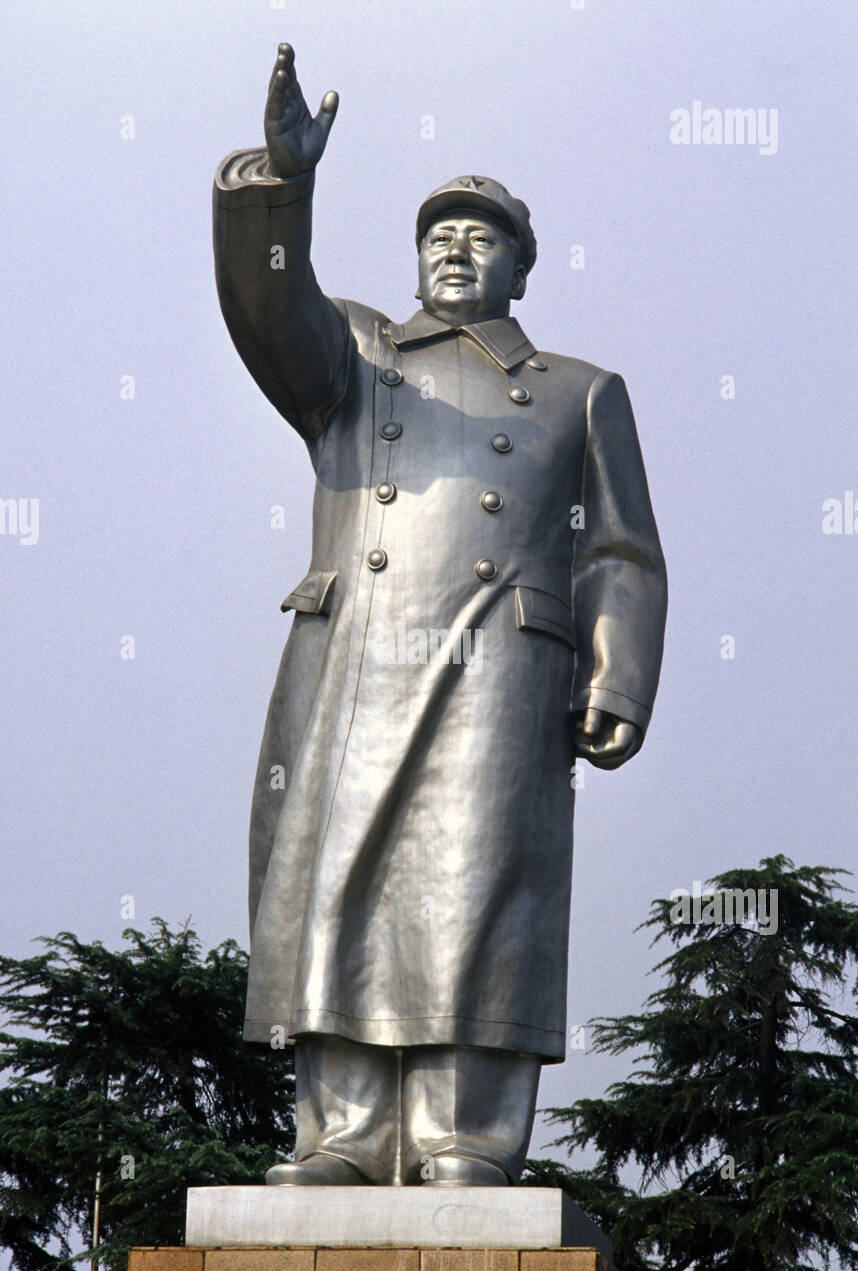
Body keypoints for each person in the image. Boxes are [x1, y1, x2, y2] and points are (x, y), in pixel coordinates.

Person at [213, 44, 667, 1187]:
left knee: (479, 887)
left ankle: (469, 1136)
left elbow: (620, 547)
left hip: (500, 669)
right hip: (360, 650)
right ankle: (346, 1138)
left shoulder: (579, 390)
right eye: (438, 235)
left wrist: (615, 675)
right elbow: (268, 307)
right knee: (339, 879)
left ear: (522, 267)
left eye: (482, 237)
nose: (455, 249)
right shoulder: (358, 359)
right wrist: (282, 184)